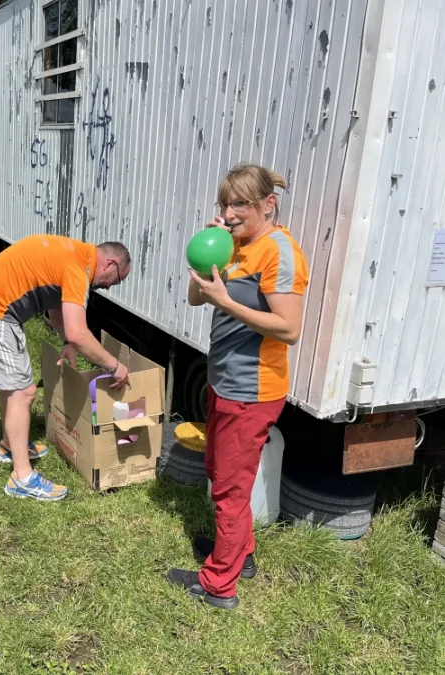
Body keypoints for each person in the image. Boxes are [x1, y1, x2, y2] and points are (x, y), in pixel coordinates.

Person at [167, 162, 309, 609]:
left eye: (239, 204)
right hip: (224, 382)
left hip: (253, 390)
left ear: (268, 204)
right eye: (224, 204)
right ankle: (239, 553)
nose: (229, 213)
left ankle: (218, 585)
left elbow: (289, 329)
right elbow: (197, 298)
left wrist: (227, 302)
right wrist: (207, 257)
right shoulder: (235, 246)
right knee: (220, 473)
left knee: (230, 489)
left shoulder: (280, 252)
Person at [0, 234, 132, 501]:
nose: (111, 286)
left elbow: (55, 306)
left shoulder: (75, 255)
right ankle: (22, 478)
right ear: (110, 263)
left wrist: (67, 343)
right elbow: (78, 332)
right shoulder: (78, 268)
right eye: (117, 279)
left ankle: (9, 445)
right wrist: (114, 365)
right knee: (23, 392)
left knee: (13, 387)